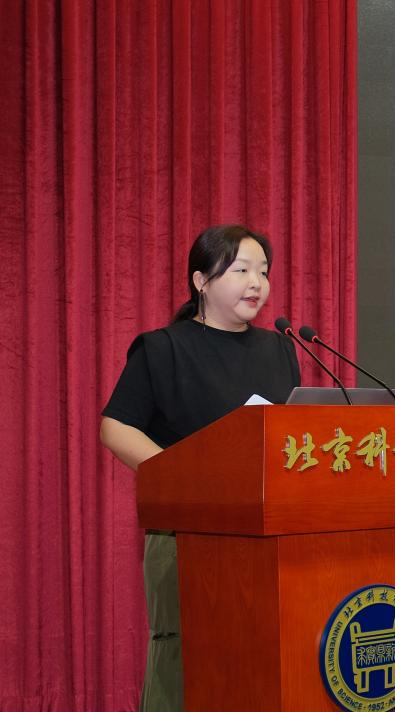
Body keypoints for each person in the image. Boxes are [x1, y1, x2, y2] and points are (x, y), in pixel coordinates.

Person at [100, 225, 300, 711]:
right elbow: (116, 426)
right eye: (241, 270)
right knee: (184, 656)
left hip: (264, 529)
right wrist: (183, 476)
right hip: (185, 531)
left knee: (259, 648)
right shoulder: (162, 348)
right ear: (201, 281)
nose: (256, 283)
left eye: (264, 272)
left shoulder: (280, 348)